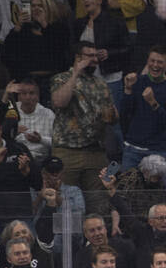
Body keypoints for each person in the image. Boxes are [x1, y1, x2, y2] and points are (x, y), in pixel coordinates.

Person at [50, 42, 118, 215]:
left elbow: (113, 117)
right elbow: (59, 102)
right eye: (90, 56)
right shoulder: (61, 78)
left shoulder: (101, 84)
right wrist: (76, 73)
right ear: (78, 58)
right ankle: (68, 240)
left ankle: (93, 240)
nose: (95, 60)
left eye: (96, 56)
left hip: (96, 152)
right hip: (67, 152)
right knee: (66, 204)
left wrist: (112, 115)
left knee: (98, 204)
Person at [119, 46, 166, 171]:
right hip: (132, 149)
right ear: (147, 62)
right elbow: (124, 114)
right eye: (152, 61)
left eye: (160, 62)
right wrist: (128, 90)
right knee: (126, 188)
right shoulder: (138, 82)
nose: (155, 65)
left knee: (157, 191)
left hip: (157, 151)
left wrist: (153, 103)